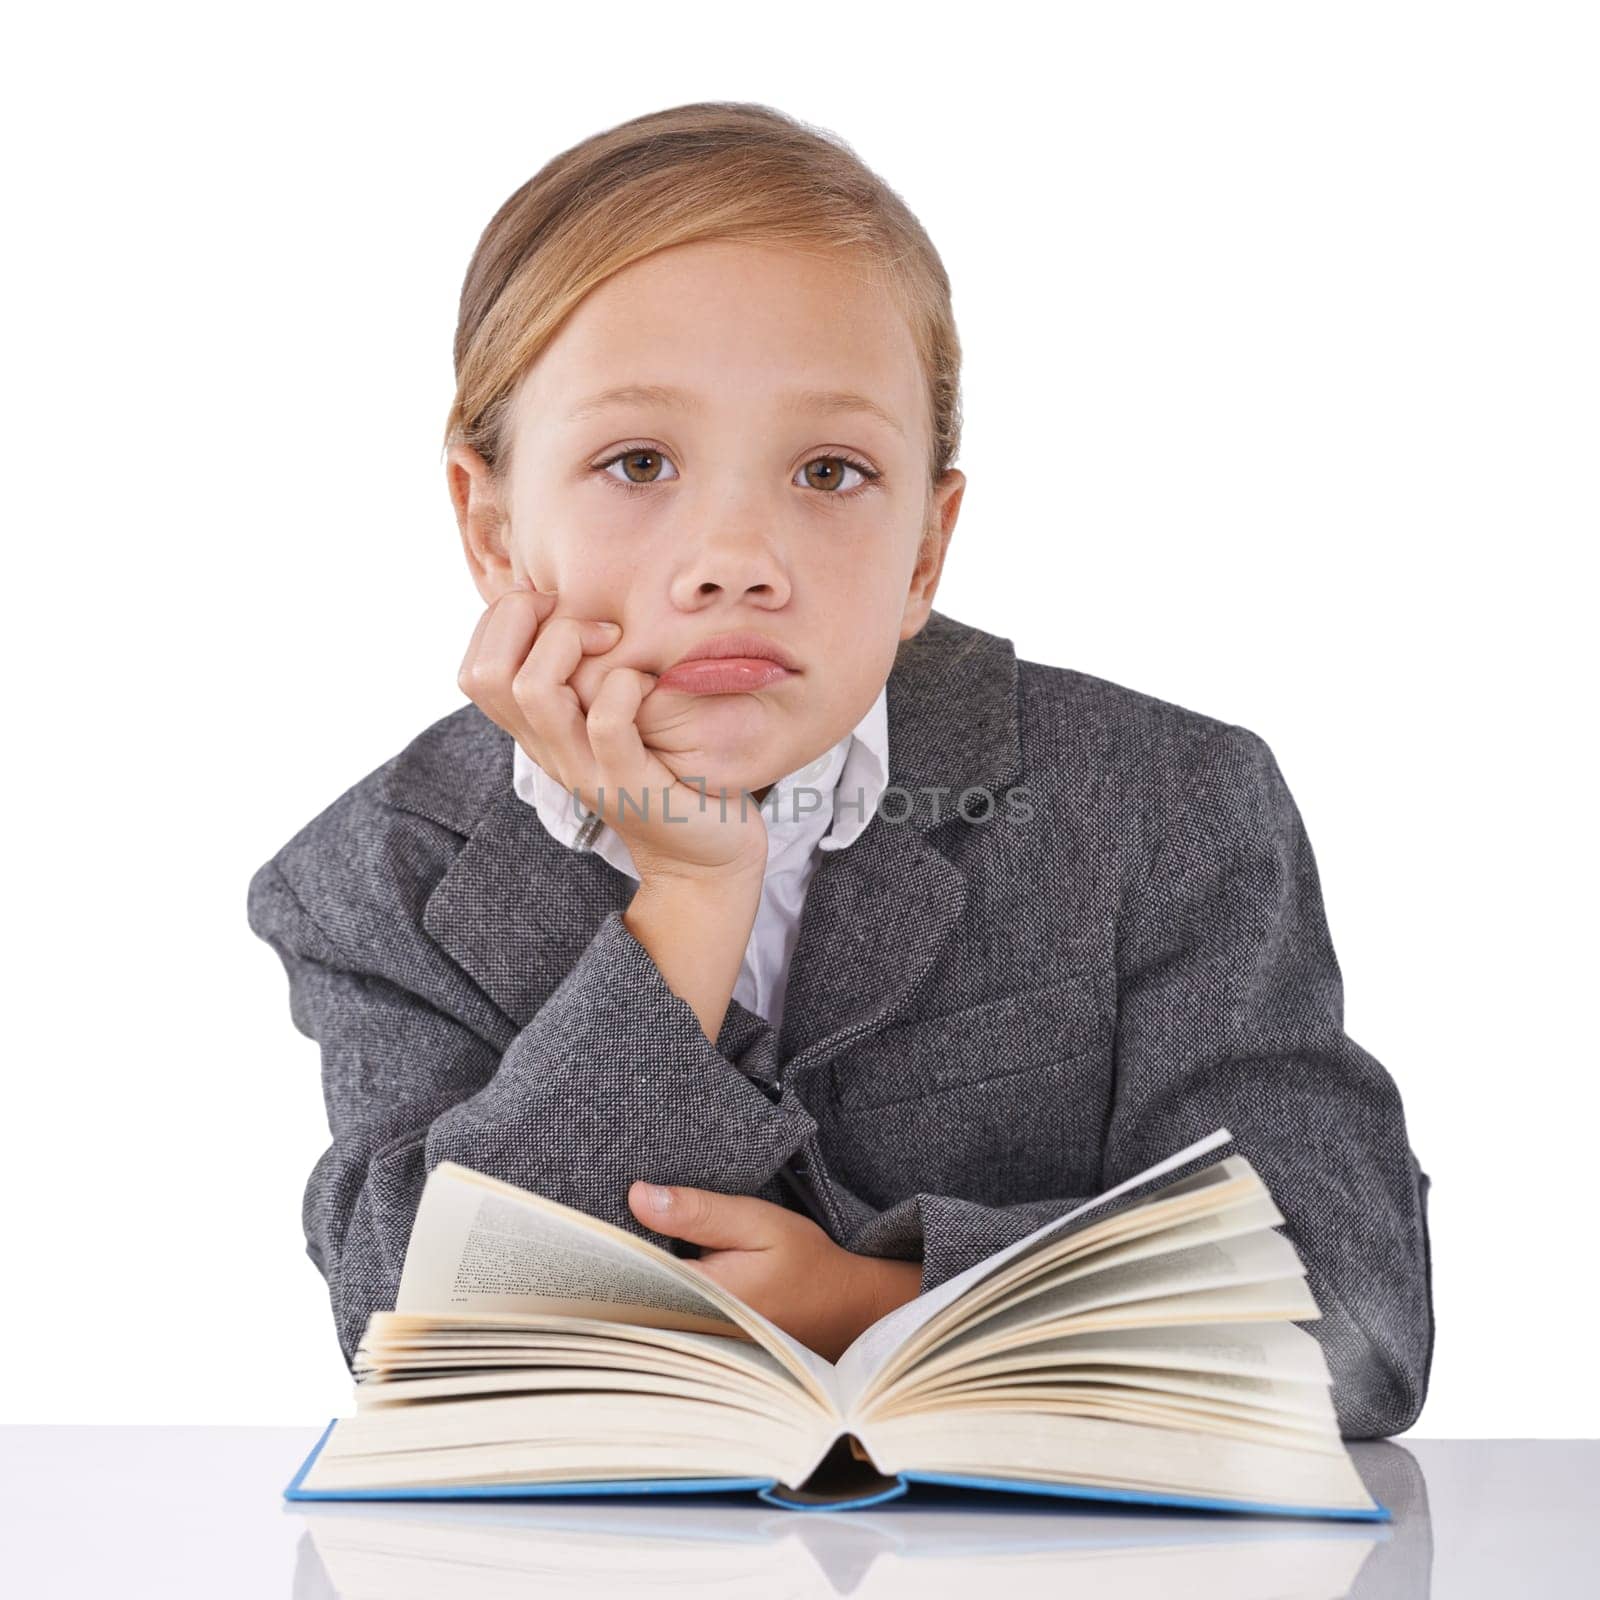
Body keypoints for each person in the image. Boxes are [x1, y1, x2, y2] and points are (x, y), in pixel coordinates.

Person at [246, 101, 1433, 1433]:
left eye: (830, 469)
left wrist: (877, 1301)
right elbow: (421, 1342)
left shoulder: (1164, 804)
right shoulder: (376, 880)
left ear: (926, 548)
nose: (737, 555)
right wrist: (688, 906)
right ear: (493, 526)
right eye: (637, 462)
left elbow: (1355, 1315)